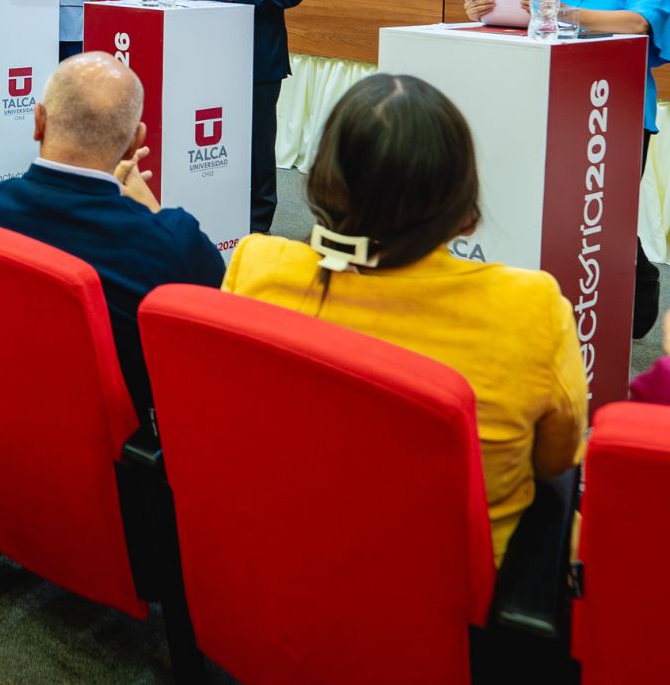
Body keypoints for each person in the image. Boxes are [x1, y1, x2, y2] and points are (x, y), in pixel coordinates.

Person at [222, 73, 587, 566]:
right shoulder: (531, 307)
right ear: (459, 196)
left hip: (281, 555)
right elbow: (557, 460)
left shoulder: (254, 266)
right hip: (459, 596)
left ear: (324, 178)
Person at [0, 52, 224, 430]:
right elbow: (217, 318)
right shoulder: (171, 244)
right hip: (122, 461)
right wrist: (148, 206)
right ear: (136, 144)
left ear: (38, 121)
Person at [464, 0, 670, 338]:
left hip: (612, 114)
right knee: (560, 213)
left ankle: (633, 293)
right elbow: (535, 21)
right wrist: (489, 9)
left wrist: (564, 12)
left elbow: (638, 24)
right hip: (549, 103)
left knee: (602, 216)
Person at [174, 0, 307, 235]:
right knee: (220, 140)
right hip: (218, 56)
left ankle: (257, 228)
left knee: (256, 147)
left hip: (259, 57)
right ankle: (221, 209)